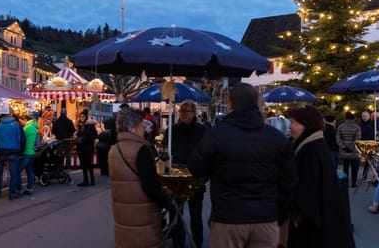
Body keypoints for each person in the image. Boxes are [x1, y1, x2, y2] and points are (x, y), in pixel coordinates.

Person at [188, 83, 297, 248]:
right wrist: (278, 213)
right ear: (256, 103)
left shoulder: (217, 134)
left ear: (231, 105)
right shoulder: (277, 138)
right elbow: (289, 182)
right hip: (265, 217)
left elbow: (196, 167)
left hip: (228, 216)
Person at [286, 105, 355, 247]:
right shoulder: (315, 146)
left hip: (314, 227)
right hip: (324, 222)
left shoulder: (310, 150)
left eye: (293, 123)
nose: (290, 127)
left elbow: (307, 191)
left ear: (306, 124)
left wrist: (296, 216)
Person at [109, 107, 171, 247]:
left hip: (122, 216)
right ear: (133, 127)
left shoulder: (114, 150)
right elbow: (151, 187)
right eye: (142, 125)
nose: (144, 129)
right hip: (142, 217)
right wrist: (166, 202)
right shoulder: (141, 150)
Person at [163, 100, 206, 248]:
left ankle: (197, 242)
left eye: (185, 111)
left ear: (194, 113)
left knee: (196, 215)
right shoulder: (172, 130)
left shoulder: (202, 131)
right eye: (180, 111)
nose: (182, 114)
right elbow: (164, 148)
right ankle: (178, 242)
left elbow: (207, 154)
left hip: (196, 178)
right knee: (177, 214)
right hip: (176, 177)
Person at [0, 112, 25, 200]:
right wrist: (21, 152)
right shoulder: (17, 125)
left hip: (1, 151)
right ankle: (12, 193)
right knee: (14, 173)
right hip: (14, 151)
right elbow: (22, 140)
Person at [337, 111, 361, 187]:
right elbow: (358, 139)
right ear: (353, 118)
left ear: (345, 118)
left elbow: (338, 138)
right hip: (353, 151)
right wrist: (351, 147)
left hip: (344, 151)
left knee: (345, 167)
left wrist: (343, 147)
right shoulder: (357, 127)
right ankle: (354, 182)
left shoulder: (340, 126)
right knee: (354, 167)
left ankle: (345, 182)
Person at [75, 108, 98, 186]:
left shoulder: (89, 125)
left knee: (88, 164)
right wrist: (77, 137)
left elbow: (95, 135)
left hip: (88, 148)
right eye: (80, 116)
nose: (81, 118)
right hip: (81, 148)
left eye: (83, 116)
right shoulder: (80, 125)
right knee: (83, 164)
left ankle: (92, 180)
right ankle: (86, 180)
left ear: (86, 117)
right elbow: (79, 135)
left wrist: (85, 138)